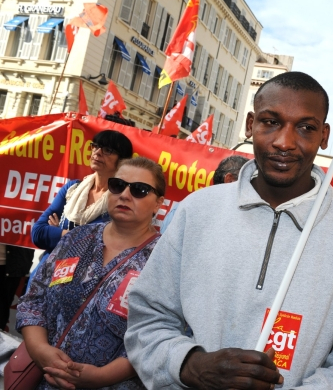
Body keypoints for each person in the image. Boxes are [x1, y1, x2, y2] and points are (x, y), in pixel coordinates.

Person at [125, 71, 333, 389]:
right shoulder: (198, 210)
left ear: (324, 136)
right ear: (251, 124)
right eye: (271, 122)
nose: (285, 142)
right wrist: (191, 365)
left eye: (306, 128)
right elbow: (147, 320)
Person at [17, 157, 165, 390]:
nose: (125, 195)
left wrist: (103, 377)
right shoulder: (78, 238)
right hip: (46, 380)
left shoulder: (163, 260)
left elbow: (160, 334)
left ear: (158, 203)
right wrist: (40, 350)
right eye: (117, 185)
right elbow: (34, 299)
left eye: (139, 190)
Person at [29, 130, 133, 287]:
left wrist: (59, 234)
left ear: (122, 160)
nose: (97, 153)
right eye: (95, 146)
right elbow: (38, 233)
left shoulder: (122, 201)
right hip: (45, 279)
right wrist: (82, 236)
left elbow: (103, 251)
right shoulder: (72, 189)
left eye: (108, 150)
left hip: (84, 288)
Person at [160, 155, 249, 233]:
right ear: (230, 180)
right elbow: (164, 250)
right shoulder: (185, 210)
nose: (254, 188)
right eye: (250, 180)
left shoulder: (246, 217)